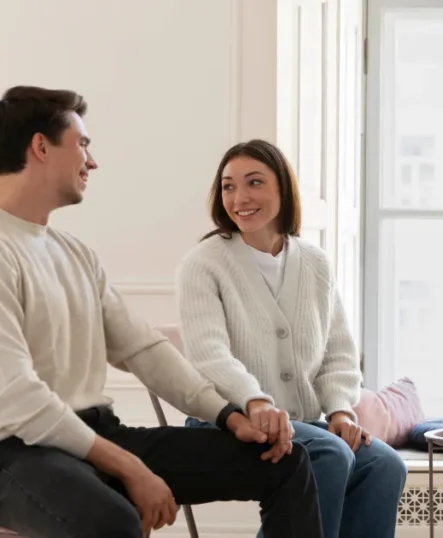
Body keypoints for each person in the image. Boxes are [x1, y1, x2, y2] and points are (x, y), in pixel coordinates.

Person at [0, 86, 324, 538]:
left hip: (97, 434)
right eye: (83, 145)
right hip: (18, 452)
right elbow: (17, 402)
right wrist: (130, 468)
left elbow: (143, 349)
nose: (91, 162)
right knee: (112, 520)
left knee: (284, 462)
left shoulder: (74, 254)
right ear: (40, 146)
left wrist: (230, 416)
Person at [175, 139, 407, 538]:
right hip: (226, 426)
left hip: (304, 424)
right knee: (329, 455)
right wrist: (255, 400)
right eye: (228, 186)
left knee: (385, 465)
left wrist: (340, 411)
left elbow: (338, 353)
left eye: (254, 183)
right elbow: (209, 355)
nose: (239, 197)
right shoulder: (204, 264)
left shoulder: (315, 263)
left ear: (283, 188)